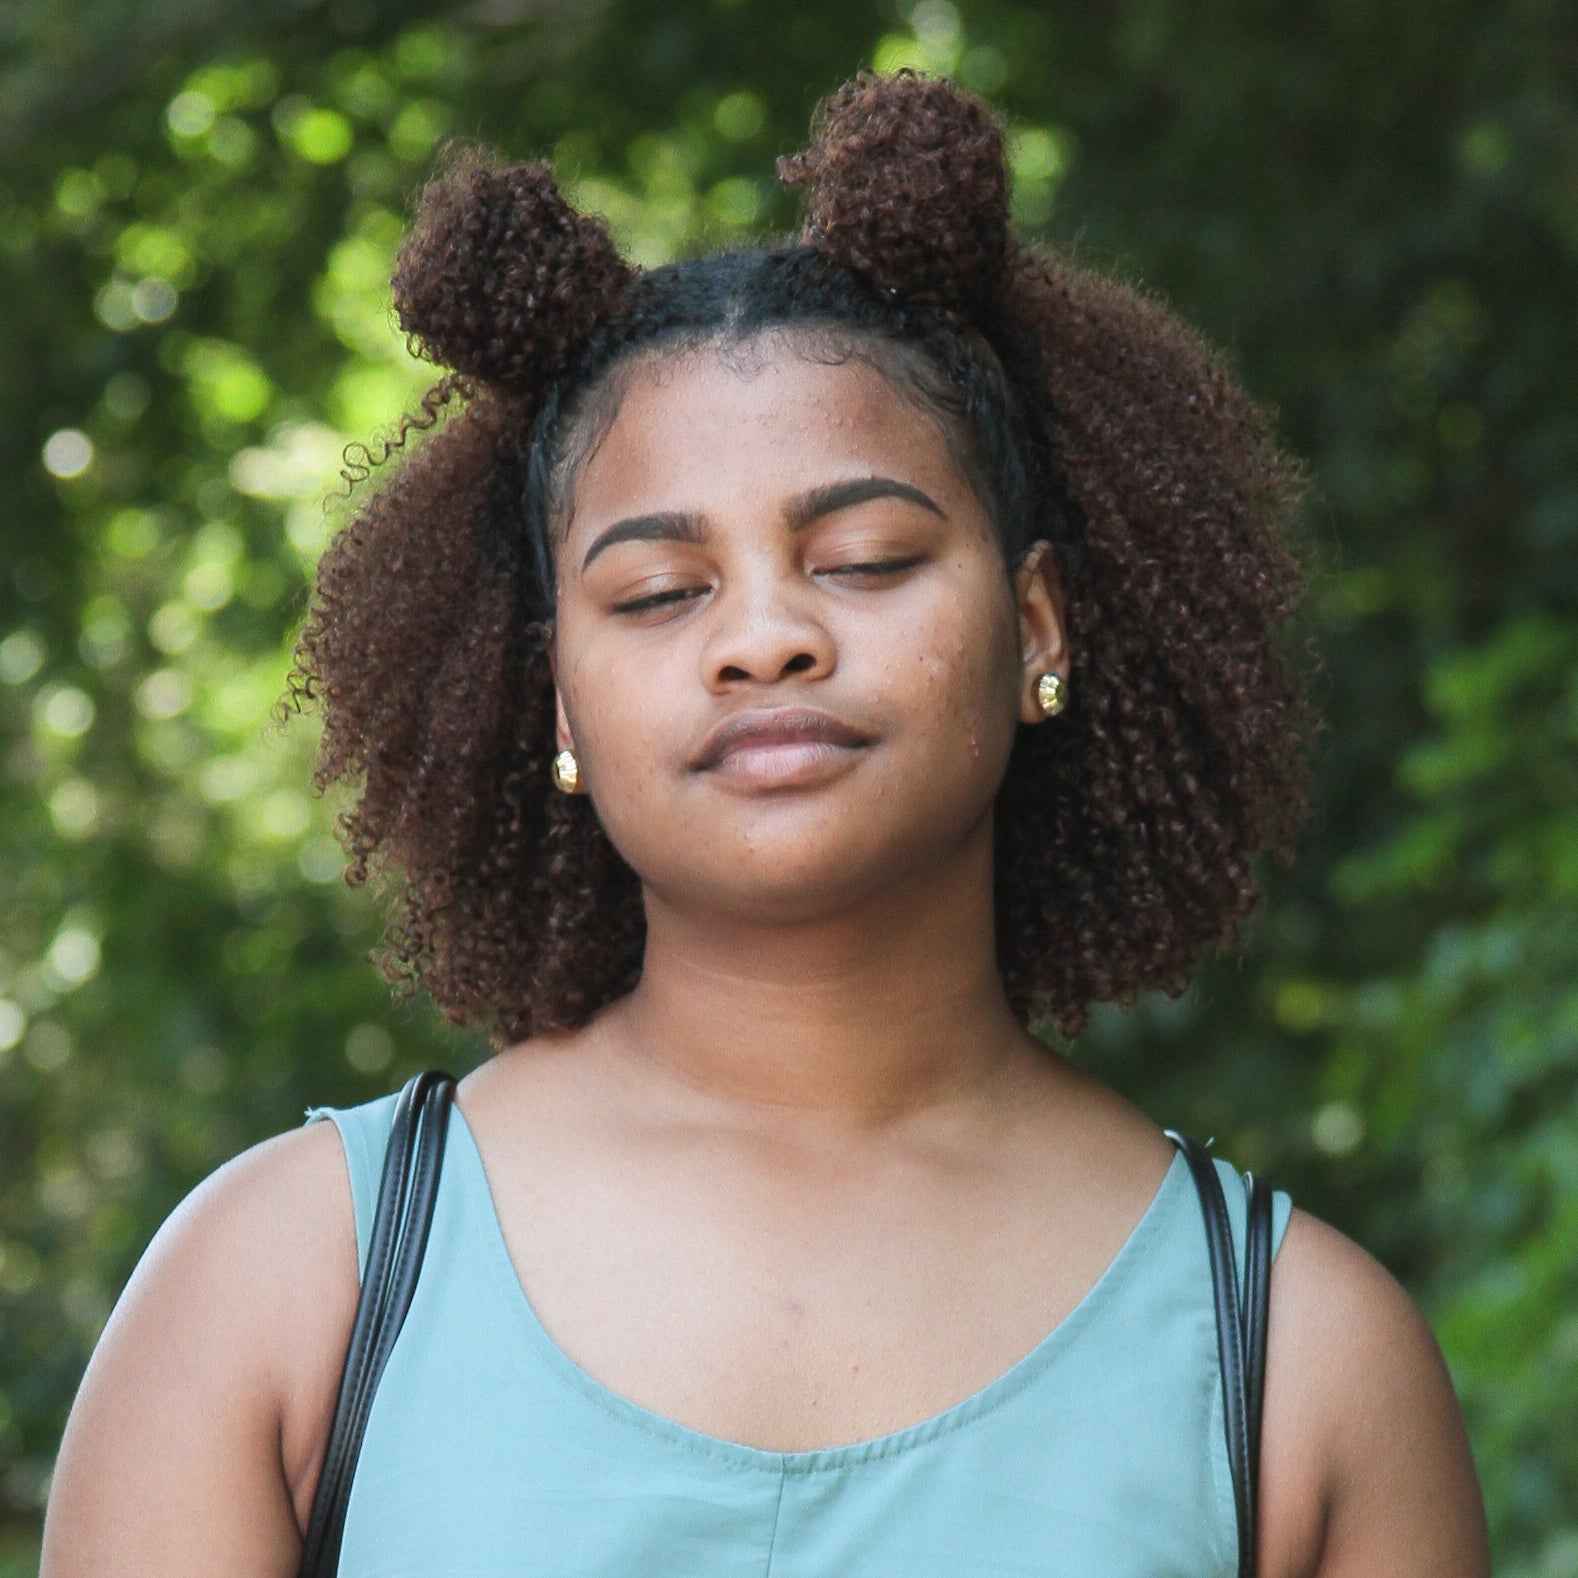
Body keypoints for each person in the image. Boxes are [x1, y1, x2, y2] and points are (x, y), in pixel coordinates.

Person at [41, 70, 1489, 1576]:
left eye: (863, 559)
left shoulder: (1301, 1363)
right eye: (660, 592)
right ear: (556, 697)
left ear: (1036, 626)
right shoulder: (289, 1287)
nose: (763, 638)